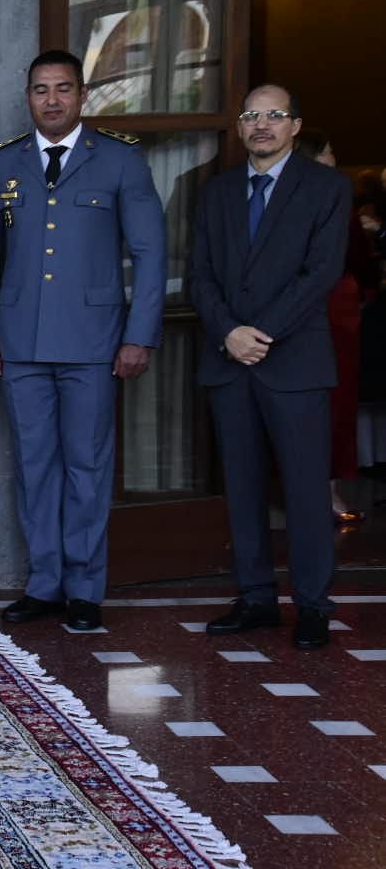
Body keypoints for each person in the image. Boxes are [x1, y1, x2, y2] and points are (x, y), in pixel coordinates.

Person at [0, 49, 165, 632]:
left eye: (63, 89)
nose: (51, 100)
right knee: (34, 466)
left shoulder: (120, 162)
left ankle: (84, 587)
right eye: (40, 90)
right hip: (19, 343)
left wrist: (138, 336)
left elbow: (150, 257)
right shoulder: (1, 165)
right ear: (28, 97)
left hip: (95, 343)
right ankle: (44, 583)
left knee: (87, 466)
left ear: (83, 95)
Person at [191, 85, 351, 650]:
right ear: (240, 127)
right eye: (252, 116)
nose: (262, 124)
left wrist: (261, 334)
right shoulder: (216, 193)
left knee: (307, 491)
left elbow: (322, 271)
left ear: (295, 126)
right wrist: (229, 332)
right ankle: (256, 598)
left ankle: (312, 605)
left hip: (294, 362)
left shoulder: (327, 188)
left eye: (274, 116)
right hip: (230, 362)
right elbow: (200, 276)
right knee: (242, 487)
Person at [295, 132, 374, 523]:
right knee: (335, 396)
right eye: (329, 150)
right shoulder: (335, 192)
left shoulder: (281, 189)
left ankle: (299, 488)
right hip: (332, 305)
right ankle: (326, 491)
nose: (335, 156)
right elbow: (357, 254)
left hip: (288, 304)